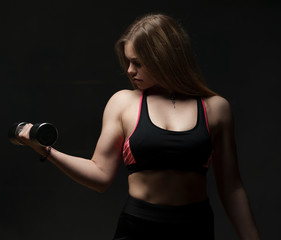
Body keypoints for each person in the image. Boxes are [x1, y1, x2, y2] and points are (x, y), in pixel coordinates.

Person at [17, 13, 260, 239]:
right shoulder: (123, 103)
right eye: (127, 62)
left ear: (164, 58)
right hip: (138, 228)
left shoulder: (216, 108)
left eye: (138, 63)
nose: (130, 71)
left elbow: (232, 188)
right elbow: (100, 175)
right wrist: (46, 151)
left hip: (195, 229)